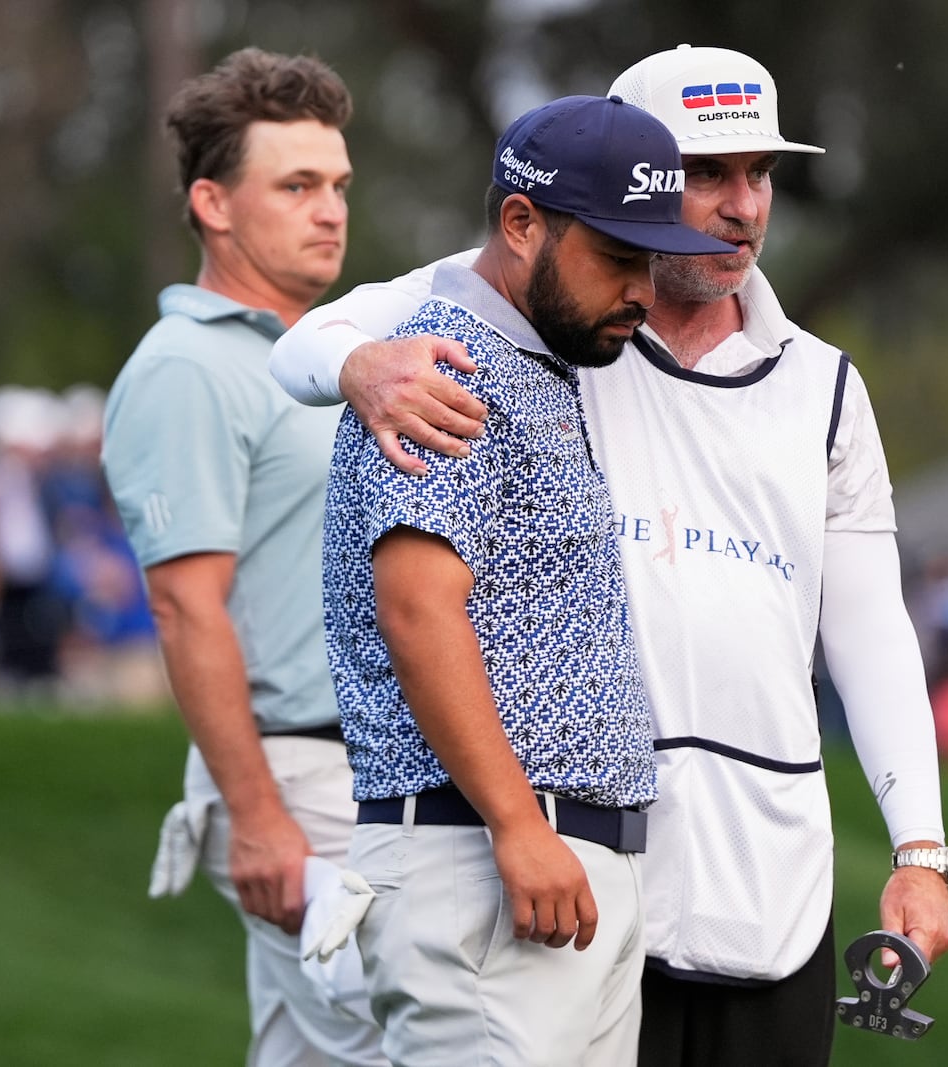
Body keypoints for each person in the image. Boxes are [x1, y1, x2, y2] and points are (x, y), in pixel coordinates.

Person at [270, 45, 948, 1066]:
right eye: (704, 174)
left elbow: (865, 627)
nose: (739, 206)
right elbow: (306, 348)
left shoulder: (821, 384)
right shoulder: (532, 324)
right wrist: (365, 366)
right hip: (550, 864)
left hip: (760, 872)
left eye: (759, 174)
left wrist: (919, 846)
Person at [325, 94, 733, 1065]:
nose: (641, 289)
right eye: (617, 257)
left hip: (560, 866)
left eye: (648, 260)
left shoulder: (545, 364)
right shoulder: (446, 368)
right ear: (521, 223)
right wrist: (517, 822)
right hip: (480, 855)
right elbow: (418, 607)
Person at [101, 48, 399, 1066]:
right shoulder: (187, 365)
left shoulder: (333, 350)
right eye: (298, 185)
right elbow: (188, 610)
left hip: (365, 768)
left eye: (339, 186)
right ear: (212, 203)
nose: (330, 210)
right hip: (299, 776)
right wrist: (259, 816)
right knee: (417, 1044)